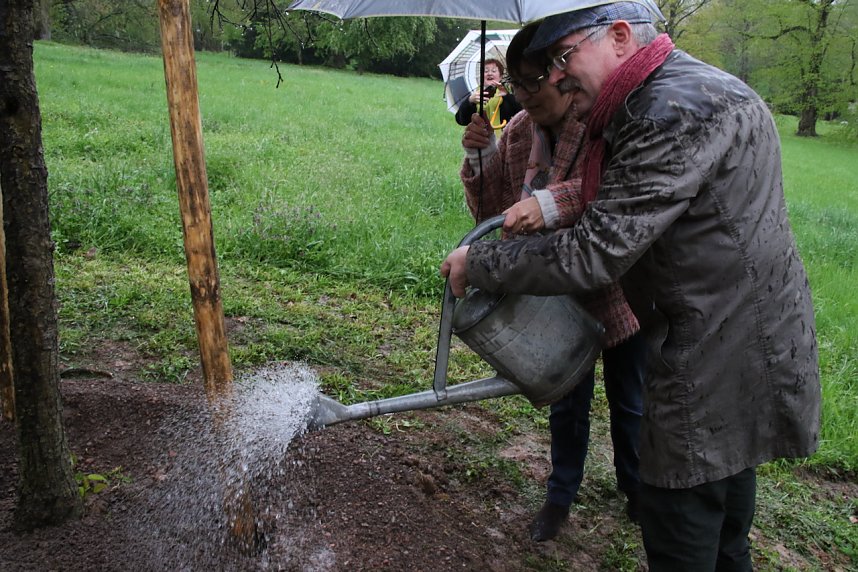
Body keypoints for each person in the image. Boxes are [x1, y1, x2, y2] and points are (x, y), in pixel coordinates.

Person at [441, 2, 821, 570]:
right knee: (728, 541)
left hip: (709, 362)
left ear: (620, 37)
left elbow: (596, 249)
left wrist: (484, 265)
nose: (557, 77)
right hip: (750, 347)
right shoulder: (692, 88)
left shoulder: (666, 111)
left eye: (563, 58)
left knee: (683, 539)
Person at [459, 22, 646, 542]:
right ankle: (560, 497)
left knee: (631, 400)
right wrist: (480, 155)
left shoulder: (605, 127)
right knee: (568, 401)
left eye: (531, 82)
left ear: (561, 75)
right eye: (514, 85)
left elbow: (602, 203)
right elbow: (492, 210)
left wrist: (544, 206)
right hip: (552, 295)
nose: (522, 95)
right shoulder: (519, 131)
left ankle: (637, 493)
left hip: (619, 292)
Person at [455, 58, 522, 137]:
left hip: (505, 142)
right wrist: (470, 101)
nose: (489, 73)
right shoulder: (476, 96)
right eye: (486, 71)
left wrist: (507, 96)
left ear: (500, 76)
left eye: (494, 71)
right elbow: (461, 121)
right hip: (480, 142)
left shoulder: (510, 94)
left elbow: (523, 115)